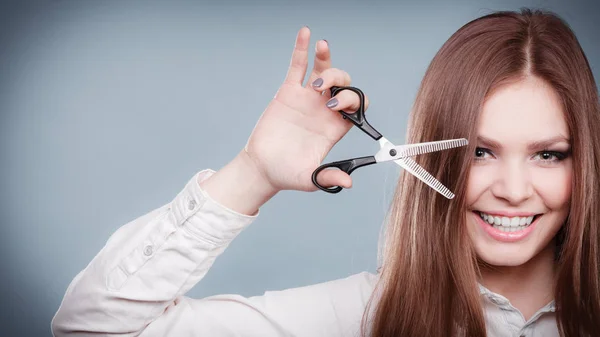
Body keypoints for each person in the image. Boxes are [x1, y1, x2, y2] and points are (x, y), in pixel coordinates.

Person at [51, 8, 600, 337]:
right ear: (432, 158)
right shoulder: (361, 317)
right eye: (479, 151)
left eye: (548, 154)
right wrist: (254, 172)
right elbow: (92, 328)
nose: (511, 190)